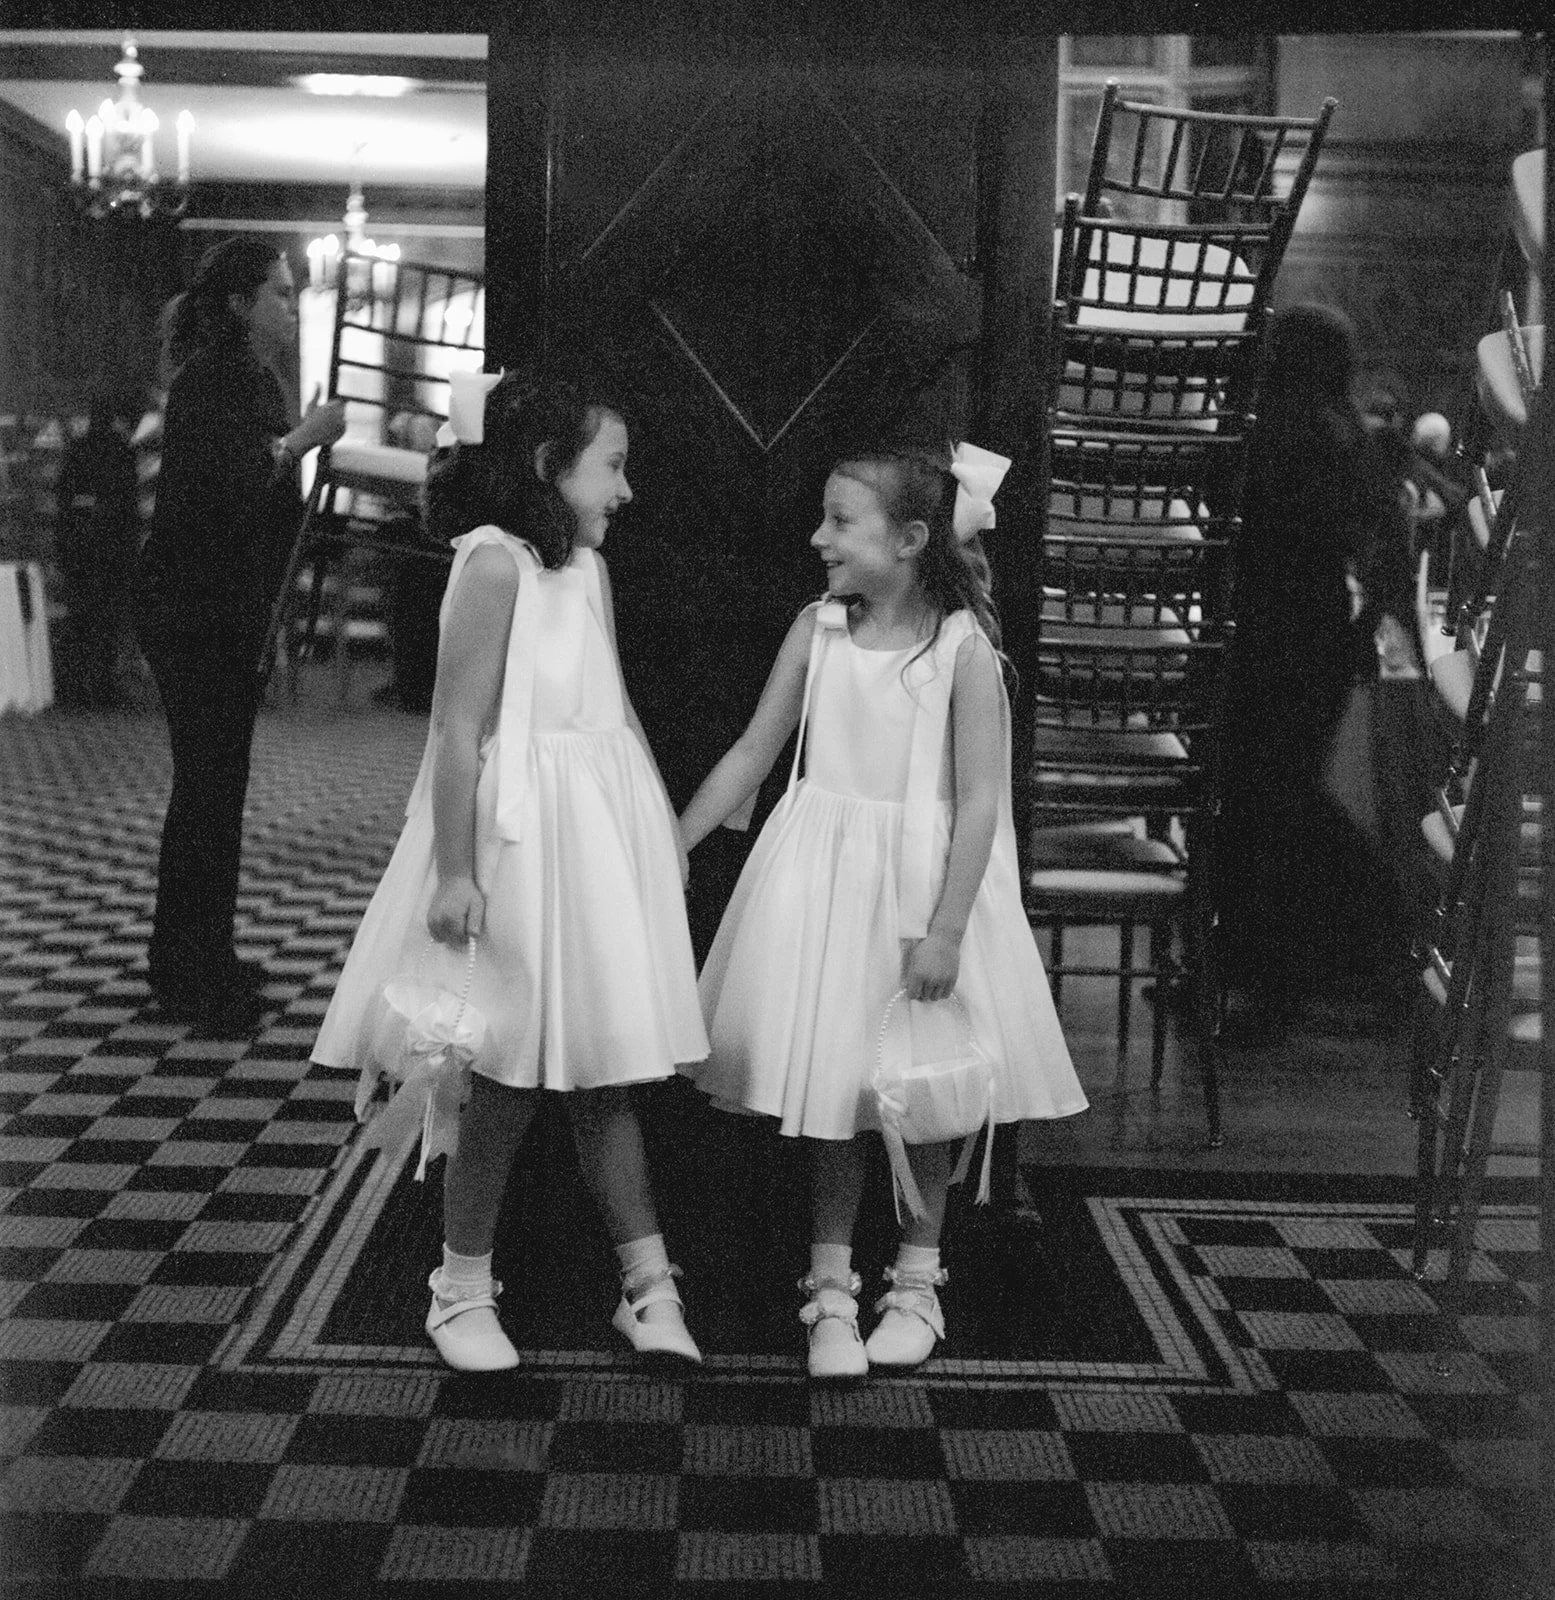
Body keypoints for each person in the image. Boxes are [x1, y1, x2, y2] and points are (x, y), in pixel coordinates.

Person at [311, 370, 708, 1373]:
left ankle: (648, 1281)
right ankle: (459, 1286)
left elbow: (610, 710)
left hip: (588, 844)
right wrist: (453, 870)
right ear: (547, 467)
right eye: (610, 467)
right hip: (506, 847)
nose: (623, 490)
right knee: (500, 1078)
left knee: (605, 1073)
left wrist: (654, 833)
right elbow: (455, 731)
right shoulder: (490, 566)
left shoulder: (586, 568)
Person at [678, 442, 1087, 1378]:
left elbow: (982, 799)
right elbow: (753, 751)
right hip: (822, 883)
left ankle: (915, 1280)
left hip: (922, 888)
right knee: (834, 1084)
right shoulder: (816, 630)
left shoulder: (962, 650)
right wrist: (673, 841)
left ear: (908, 540)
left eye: (839, 522)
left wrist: (945, 928)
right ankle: (829, 1291)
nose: (818, 537)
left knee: (919, 1085)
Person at [135, 238, 347, 1032]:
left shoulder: (246, 376)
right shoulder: (214, 377)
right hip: (192, 612)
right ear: (239, 304)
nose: (291, 308)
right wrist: (305, 438)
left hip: (217, 612)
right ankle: (187, 973)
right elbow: (232, 483)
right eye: (280, 294)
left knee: (217, 790)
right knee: (207, 792)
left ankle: (201, 954)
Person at [1215, 302, 1402, 1042]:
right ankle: (1273, 972)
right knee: (1282, 805)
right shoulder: (1343, 433)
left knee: (1269, 808)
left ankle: (1283, 981)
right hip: (1315, 635)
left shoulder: (1271, 430)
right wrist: (1361, 626)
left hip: (1266, 635)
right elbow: (1387, 538)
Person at [55, 391, 138, 707]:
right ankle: (101, 683)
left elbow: (65, 502)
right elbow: (128, 507)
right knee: (105, 619)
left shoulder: (78, 450)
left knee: (80, 616)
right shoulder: (121, 452)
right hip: (110, 548)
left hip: (81, 547)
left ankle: (73, 685)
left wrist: (63, 544)